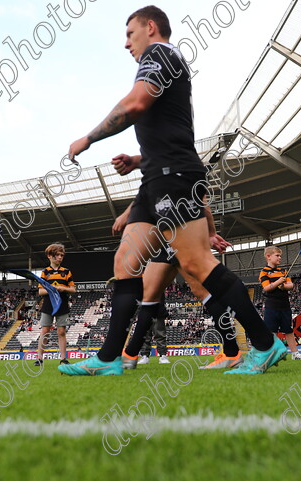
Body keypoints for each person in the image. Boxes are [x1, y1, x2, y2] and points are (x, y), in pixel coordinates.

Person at [63, 6, 285, 375]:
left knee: (197, 263)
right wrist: (140, 160)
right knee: (125, 263)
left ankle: (263, 343)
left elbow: (135, 104)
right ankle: (109, 358)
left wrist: (88, 138)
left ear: (150, 28)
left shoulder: (160, 54)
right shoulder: (164, 61)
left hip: (173, 176)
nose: (126, 43)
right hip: (155, 177)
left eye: (129, 33)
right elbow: (169, 123)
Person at [115, 199, 243, 371]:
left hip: (182, 235)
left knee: (203, 293)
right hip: (164, 239)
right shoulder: (157, 179)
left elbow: (202, 200)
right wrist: (127, 214)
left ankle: (232, 352)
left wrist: (210, 232)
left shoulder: (176, 177)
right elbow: (145, 192)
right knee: (148, 296)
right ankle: (130, 355)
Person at [259, 246, 301, 360]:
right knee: (273, 332)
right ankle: (272, 355)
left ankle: (295, 354)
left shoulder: (283, 271)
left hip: (285, 305)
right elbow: (266, 288)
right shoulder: (264, 272)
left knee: (289, 331)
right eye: (277, 255)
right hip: (271, 306)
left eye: (280, 256)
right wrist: (278, 282)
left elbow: (291, 285)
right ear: (268, 256)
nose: (280, 258)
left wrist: (283, 286)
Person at [36, 243, 75, 366]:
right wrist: (51, 289)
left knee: (61, 331)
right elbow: (40, 291)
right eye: (57, 255)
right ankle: (39, 358)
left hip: (62, 304)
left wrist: (63, 288)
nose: (60, 257)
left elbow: (73, 289)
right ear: (49, 256)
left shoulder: (67, 272)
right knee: (45, 331)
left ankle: (63, 359)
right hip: (48, 304)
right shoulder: (45, 273)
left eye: (61, 255)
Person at [137, 295, 169, 365]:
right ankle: (145, 355)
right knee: (145, 335)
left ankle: (163, 355)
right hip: (144, 311)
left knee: (160, 334)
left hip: (157, 311)